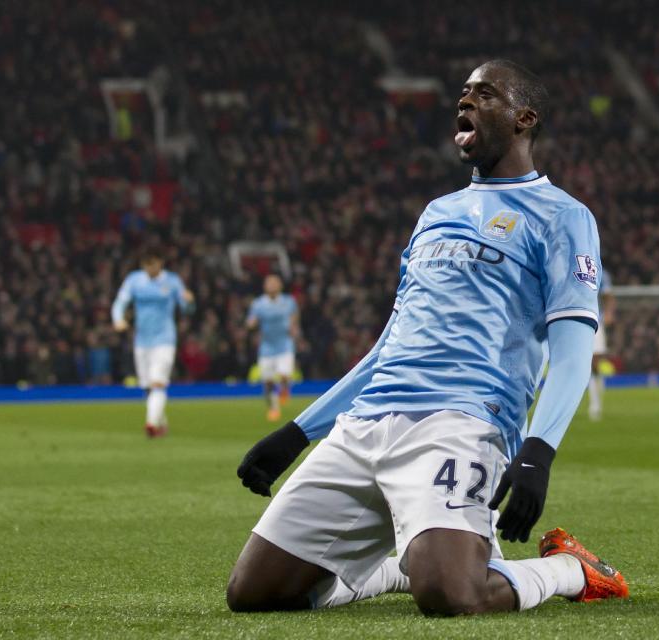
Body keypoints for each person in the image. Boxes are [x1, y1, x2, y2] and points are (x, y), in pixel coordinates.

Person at [225, 60, 629, 617]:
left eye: (485, 94)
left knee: (451, 596)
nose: (465, 102)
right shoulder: (436, 214)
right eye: (463, 93)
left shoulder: (563, 216)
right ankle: (397, 568)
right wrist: (298, 433)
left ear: (523, 119)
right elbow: (389, 346)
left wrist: (538, 453)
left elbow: (572, 355)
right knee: (253, 594)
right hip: (366, 423)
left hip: (461, 422)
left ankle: (568, 569)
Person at [111, 246, 195, 437]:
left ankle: (151, 425)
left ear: (160, 263)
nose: (151, 268)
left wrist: (190, 302)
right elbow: (120, 302)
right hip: (142, 340)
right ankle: (161, 423)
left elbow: (186, 309)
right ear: (143, 265)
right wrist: (118, 319)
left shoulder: (172, 281)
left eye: (154, 263)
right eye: (147, 264)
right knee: (148, 387)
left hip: (165, 339)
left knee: (158, 383)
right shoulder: (134, 280)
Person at [247, 274, 300, 421]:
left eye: (274, 283)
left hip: (284, 344)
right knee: (268, 381)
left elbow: (294, 315)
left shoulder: (288, 301)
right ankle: (273, 408)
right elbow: (251, 319)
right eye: (268, 283)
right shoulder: (258, 304)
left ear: (279, 286)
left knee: (284, 374)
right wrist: (251, 323)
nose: (271, 286)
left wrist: (293, 326)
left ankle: (284, 388)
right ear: (265, 287)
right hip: (267, 347)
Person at [587, 267, 614, 420]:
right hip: (576, 319)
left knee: (595, 363)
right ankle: (594, 403)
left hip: (596, 320)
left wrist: (609, 313)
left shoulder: (601, 272)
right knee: (588, 364)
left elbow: (608, 295)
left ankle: (596, 404)